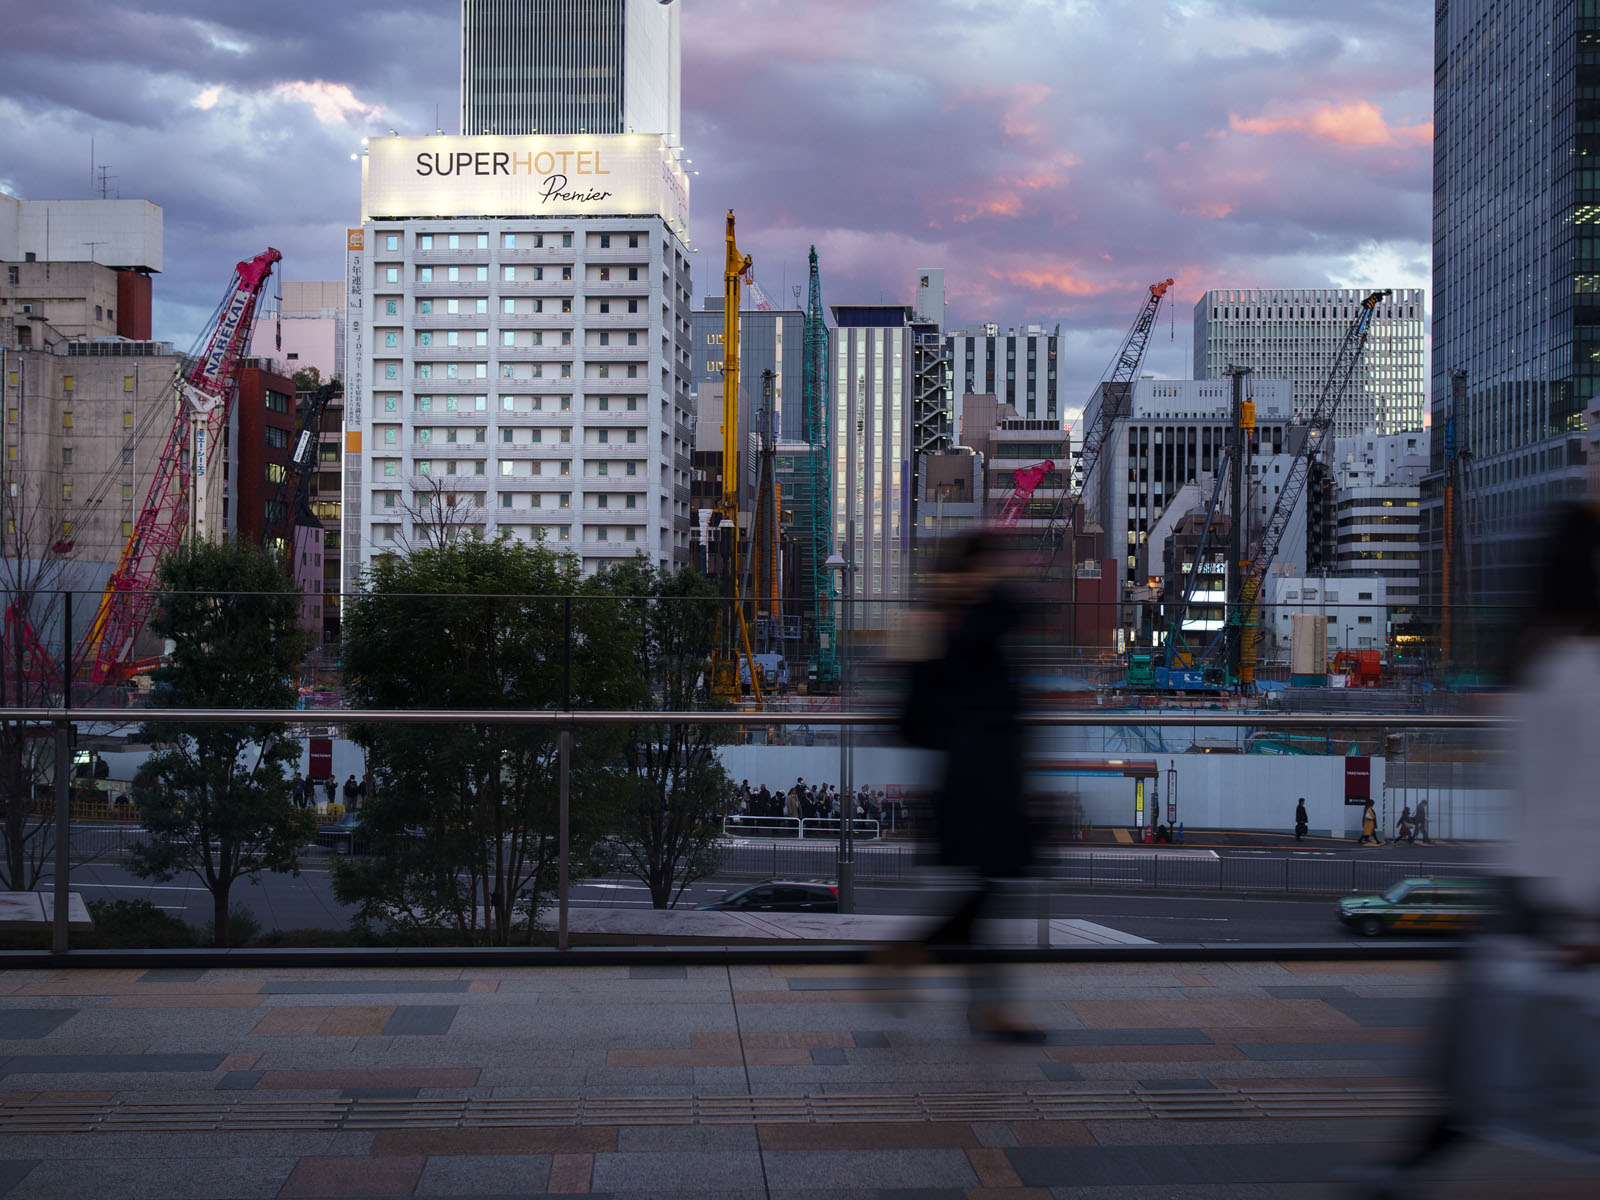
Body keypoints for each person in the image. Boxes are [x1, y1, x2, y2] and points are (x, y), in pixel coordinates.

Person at [895, 533, 1043, 1043]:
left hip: (984, 774)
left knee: (986, 890)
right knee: (989, 889)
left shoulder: (952, 621)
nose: (1002, 573)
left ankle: (931, 969)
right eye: (992, 565)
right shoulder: (955, 625)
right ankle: (927, 966)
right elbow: (909, 717)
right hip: (976, 779)